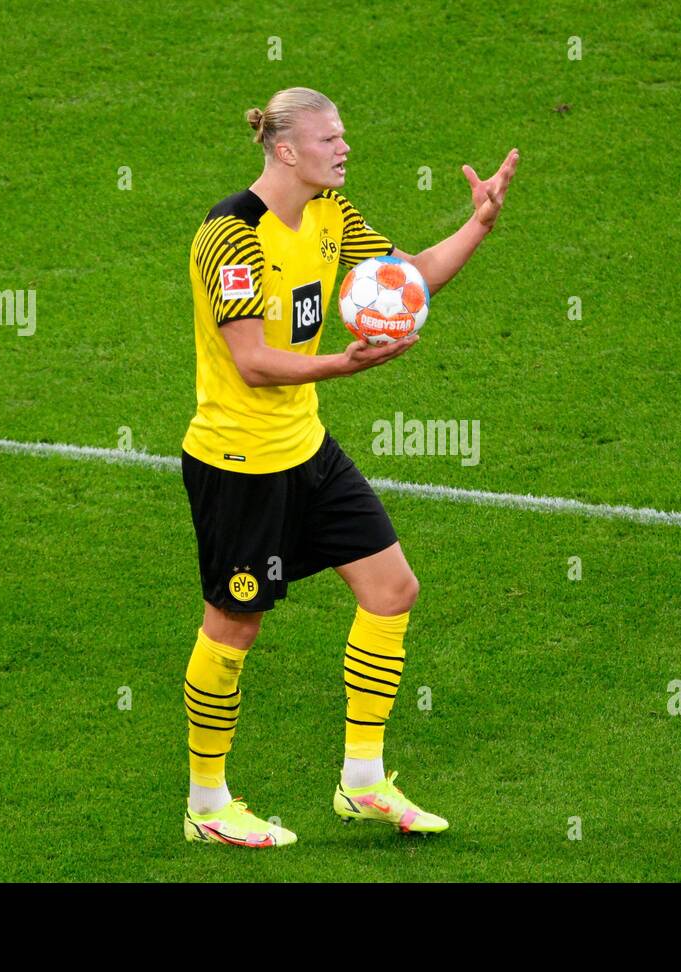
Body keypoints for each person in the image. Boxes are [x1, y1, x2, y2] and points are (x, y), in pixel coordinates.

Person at [180, 86, 519, 848]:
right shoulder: (230, 236)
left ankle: (362, 782)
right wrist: (344, 364)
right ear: (286, 149)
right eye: (332, 139)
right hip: (240, 464)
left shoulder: (334, 215)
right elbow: (253, 362)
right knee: (235, 625)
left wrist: (479, 224)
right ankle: (207, 804)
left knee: (392, 588)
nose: (345, 149)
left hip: (306, 450)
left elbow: (409, 279)